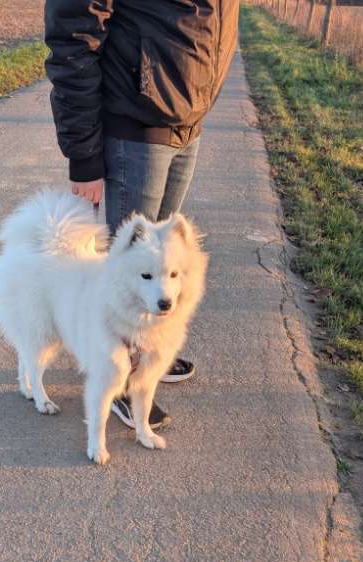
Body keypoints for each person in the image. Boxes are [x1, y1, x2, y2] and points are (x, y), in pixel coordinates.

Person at [44, 0, 240, 431]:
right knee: (126, 270)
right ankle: (118, 380)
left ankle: (147, 354)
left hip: (187, 118)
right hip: (135, 122)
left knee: (162, 266)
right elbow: (74, 29)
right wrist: (84, 154)